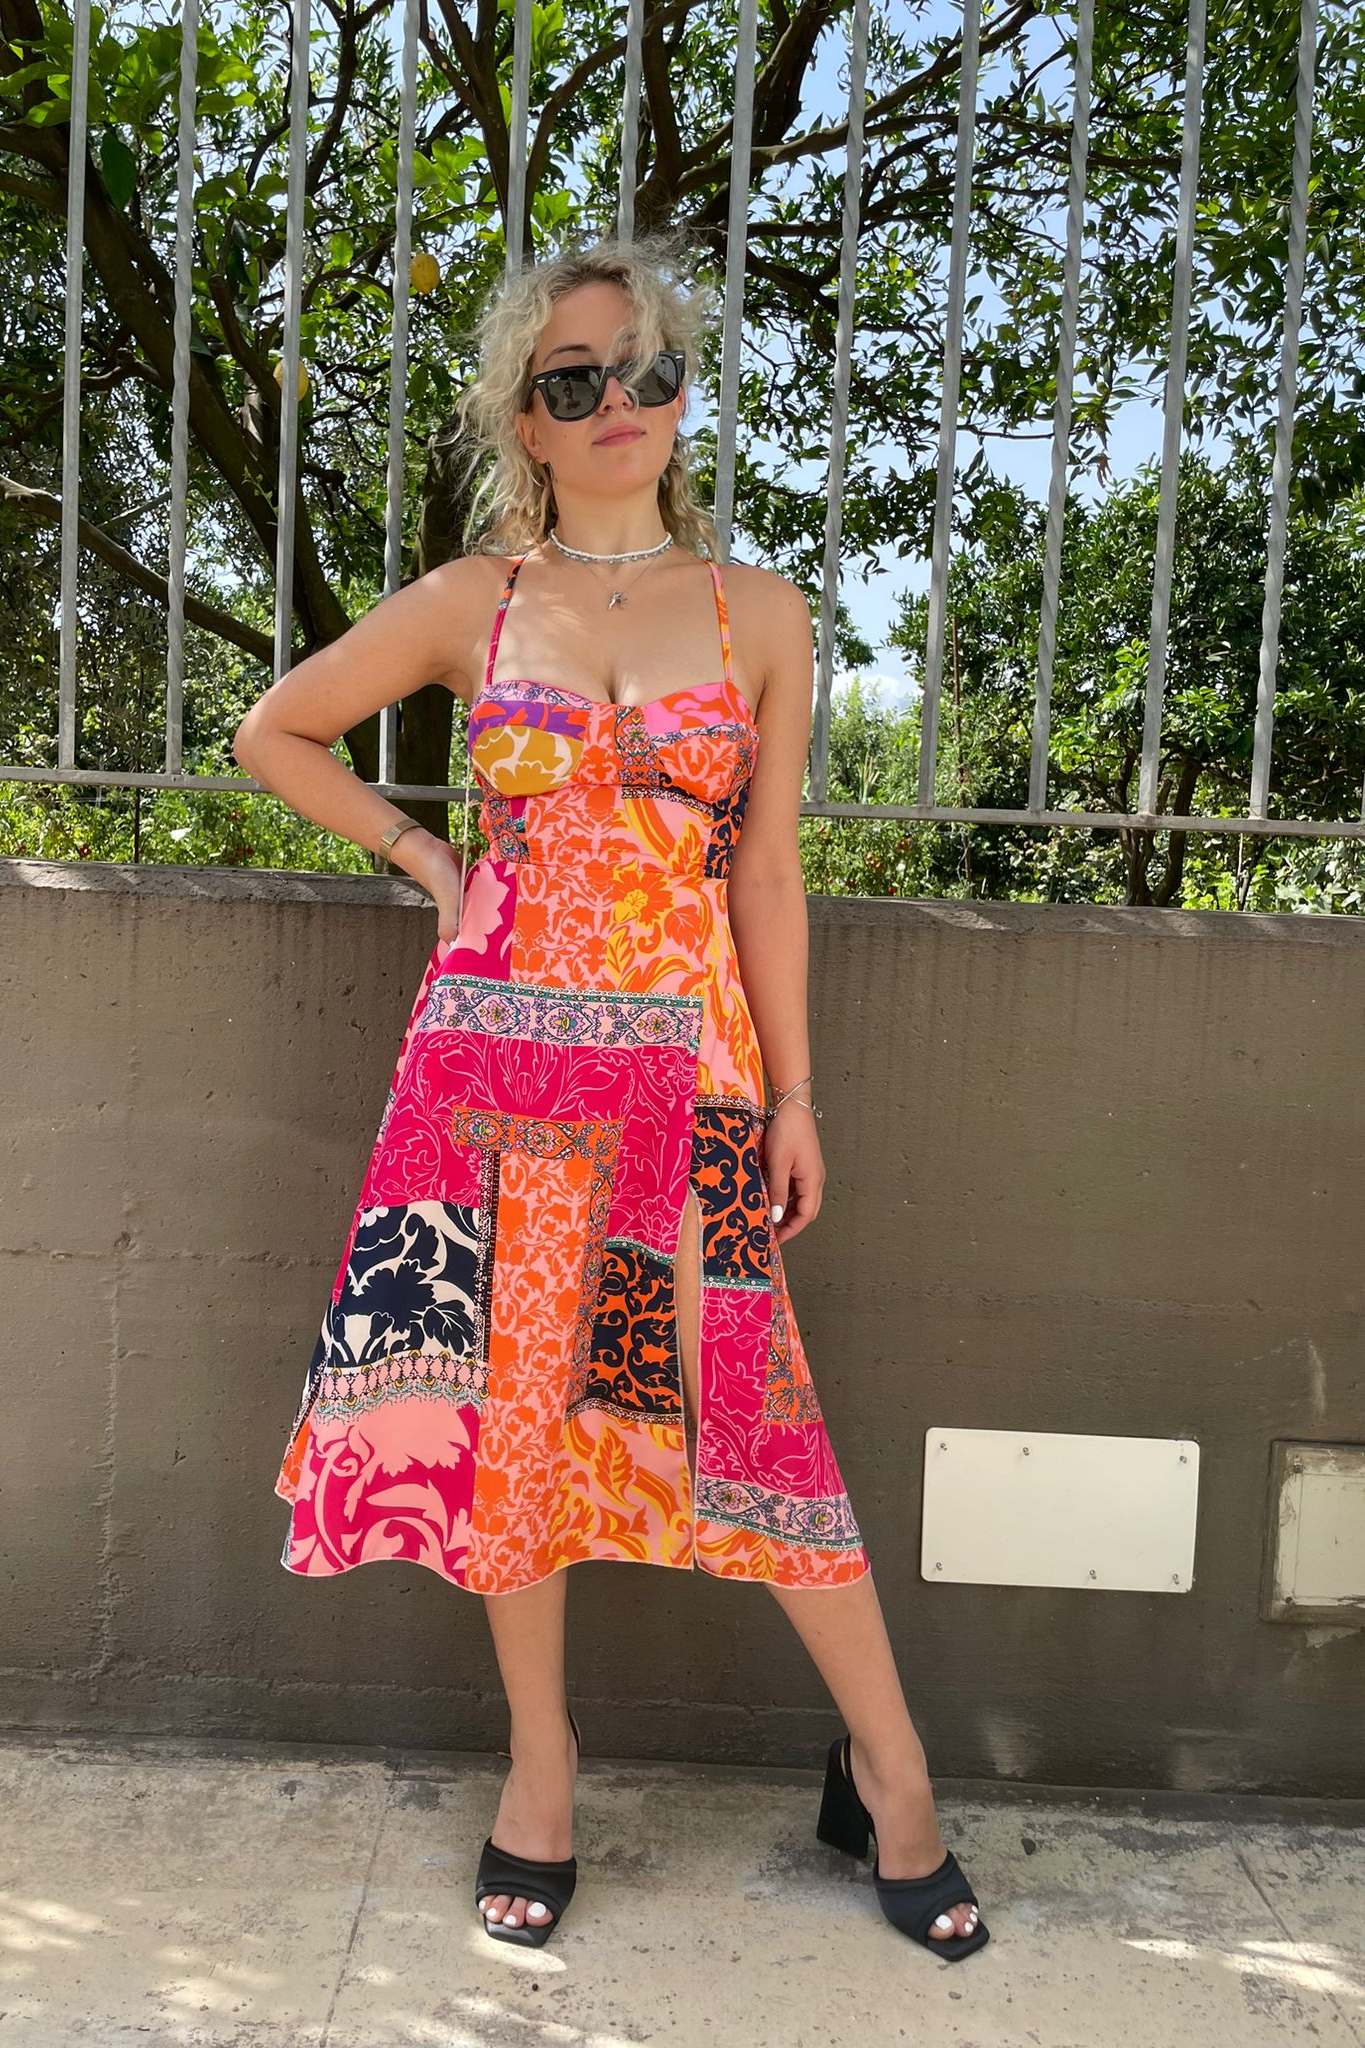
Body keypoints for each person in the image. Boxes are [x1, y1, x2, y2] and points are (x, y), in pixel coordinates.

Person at [232, 229, 987, 1961]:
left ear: (681, 393)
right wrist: (428, 856)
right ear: (528, 419)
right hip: (496, 1069)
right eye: (575, 380)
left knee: (756, 1421)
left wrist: (795, 1094)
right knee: (515, 1426)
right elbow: (277, 731)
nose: (618, 401)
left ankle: (892, 1772)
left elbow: (767, 874)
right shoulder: (471, 602)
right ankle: (541, 1769)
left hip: (688, 1077)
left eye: (647, 367)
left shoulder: (760, 613)